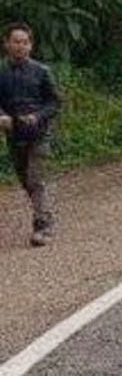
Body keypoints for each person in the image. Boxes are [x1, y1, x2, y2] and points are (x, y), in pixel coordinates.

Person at [0, 22, 60, 247]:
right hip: (14, 134)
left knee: (35, 179)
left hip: (39, 133)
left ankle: (42, 225)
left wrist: (38, 115)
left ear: (31, 46)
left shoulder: (42, 71)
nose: (20, 46)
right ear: (7, 44)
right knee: (26, 180)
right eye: (16, 41)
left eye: (25, 42)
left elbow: (54, 102)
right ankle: (45, 211)